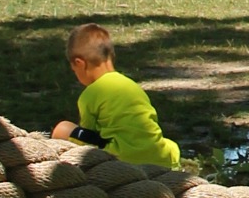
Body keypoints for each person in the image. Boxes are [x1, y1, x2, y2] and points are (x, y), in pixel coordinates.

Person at [51, 21, 181, 168]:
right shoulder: (132, 86)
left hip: (122, 157)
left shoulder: (90, 94)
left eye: (74, 71)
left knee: (63, 128)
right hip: (159, 155)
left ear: (80, 63)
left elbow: (87, 138)